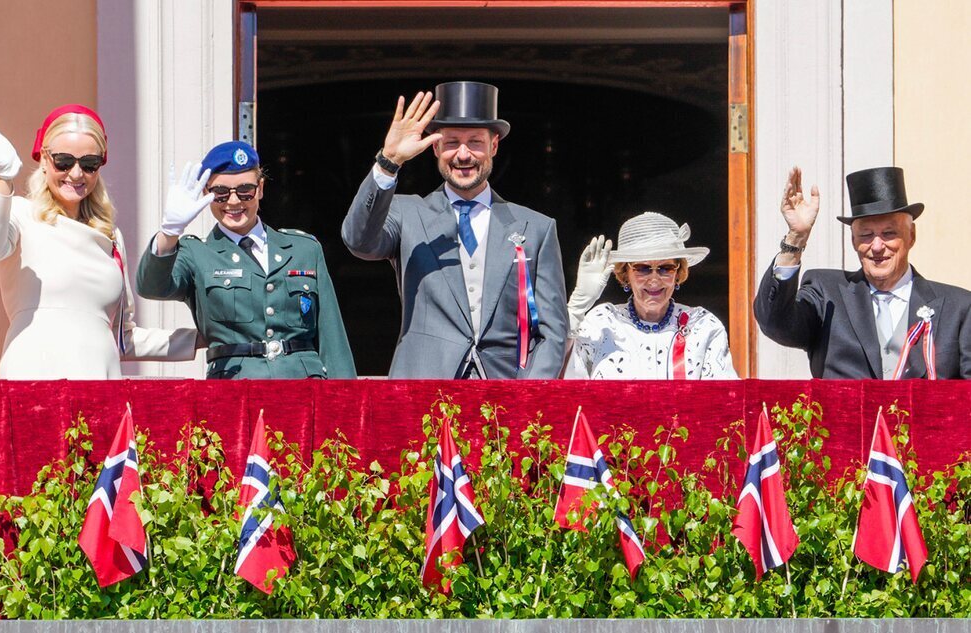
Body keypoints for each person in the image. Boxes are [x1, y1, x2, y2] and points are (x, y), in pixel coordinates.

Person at [341, 81, 567, 378]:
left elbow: (552, 331)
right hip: (423, 392)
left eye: (475, 141)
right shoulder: (407, 213)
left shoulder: (537, 228)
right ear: (435, 147)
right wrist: (389, 162)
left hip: (505, 394)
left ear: (494, 145)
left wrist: (530, 395)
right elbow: (359, 241)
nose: (463, 155)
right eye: (451, 143)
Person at [0, 106, 197, 379]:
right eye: (63, 161)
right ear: (43, 159)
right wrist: (4, 180)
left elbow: (122, 338)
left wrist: (207, 336)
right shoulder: (19, 214)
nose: (76, 174)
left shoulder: (111, 236)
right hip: (33, 375)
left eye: (89, 164)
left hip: (99, 380)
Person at [136, 141, 355, 379]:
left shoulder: (304, 249)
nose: (233, 202)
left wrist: (344, 405)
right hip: (234, 388)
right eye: (220, 193)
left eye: (245, 191)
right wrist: (169, 232)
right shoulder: (195, 253)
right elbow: (151, 287)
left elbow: (332, 340)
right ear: (205, 194)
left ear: (260, 188)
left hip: (303, 385)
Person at [754, 166, 971, 379]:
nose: (876, 246)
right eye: (866, 235)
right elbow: (775, 324)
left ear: (911, 236)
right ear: (853, 240)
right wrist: (796, 238)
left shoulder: (959, 307)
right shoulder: (826, 293)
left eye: (888, 233)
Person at [564, 211, 736, 379]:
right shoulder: (602, 322)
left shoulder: (703, 325)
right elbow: (560, 381)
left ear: (678, 272)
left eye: (666, 268)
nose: (654, 280)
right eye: (642, 268)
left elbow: (725, 400)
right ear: (625, 274)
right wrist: (577, 306)